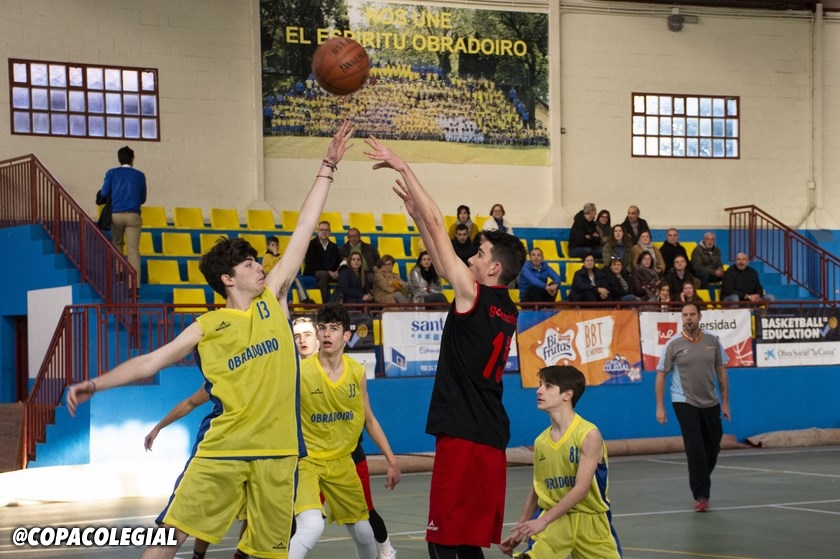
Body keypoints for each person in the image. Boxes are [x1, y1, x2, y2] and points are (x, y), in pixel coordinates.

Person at [65, 121, 356, 559]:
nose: (260, 266)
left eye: (258, 261)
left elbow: (303, 227)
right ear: (228, 279)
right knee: (169, 537)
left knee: (266, 554)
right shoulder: (209, 325)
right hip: (226, 448)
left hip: (279, 455)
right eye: (249, 264)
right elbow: (150, 362)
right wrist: (96, 383)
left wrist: (327, 167)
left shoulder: (274, 299)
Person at [365, 136, 527, 559]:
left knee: (441, 539)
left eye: (480, 253)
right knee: (467, 543)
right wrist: (418, 218)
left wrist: (403, 166)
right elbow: (440, 258)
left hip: (463, 431)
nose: (471, 257)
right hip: (491, 434)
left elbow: (440, 226)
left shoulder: (474, 295)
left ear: (493, 268)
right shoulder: (507, 307)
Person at [290, 304, 401, 559]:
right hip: (308, 462)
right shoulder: (300, 373)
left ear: (347, 336)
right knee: (311, 526)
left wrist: (392, 460)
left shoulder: (356, 372)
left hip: (343, 463)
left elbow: (369, 419)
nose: (327, 333)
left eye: (334, 328)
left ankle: (386, 550)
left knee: (364, 532)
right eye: (322, 328)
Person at [500, 366, 621, 559]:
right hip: (554, 522)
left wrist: (543, 521)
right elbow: (537, 489)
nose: (539, 391)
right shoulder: (541, 442)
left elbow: (581, 489)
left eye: (548, 386)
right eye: (540, 385)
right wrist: (521, 528)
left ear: (567, 395)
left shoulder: (588, 435)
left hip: (591, 522)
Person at [656, 302, 731, 513]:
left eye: (692, 314)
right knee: (695, 448)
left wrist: (725, 403)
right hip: (684, 401)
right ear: (682, 318)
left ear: (700, 316)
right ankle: (701, 495)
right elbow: (661, 375)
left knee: (713, 446)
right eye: (685, 315)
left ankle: (701, 477)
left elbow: (721, 372)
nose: (689, 318)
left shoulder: (713, 341)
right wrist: (660, 407)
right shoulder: (673, 344)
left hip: (711, 401)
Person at [97, 145, 147, 273]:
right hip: (133, 215)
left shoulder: (112, 173)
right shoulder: (140, 175)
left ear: (119, 159)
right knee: (133, 251)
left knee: (117, 243)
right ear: (132, 158)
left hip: (116, 215)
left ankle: (119, 274)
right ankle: (134, 283)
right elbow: (143, 198)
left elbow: (104, 193)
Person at [264, 235, 313, 304]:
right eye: (273, 245)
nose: (275, 247)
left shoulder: (281, 256)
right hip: (276, 278)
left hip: (285, 276)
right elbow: (270, 271)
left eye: (277, 245)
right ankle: (304, 299)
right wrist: (275, 255)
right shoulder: (267, 257)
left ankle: (299, 294)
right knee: (296, 278)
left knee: (312, 280)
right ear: (268, 247)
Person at [304, 220, 342, 302]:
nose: (324, 232)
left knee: (344, 275)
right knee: (324, 275)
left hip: (331, 273)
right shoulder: (310, 245)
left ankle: (337, 302)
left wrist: (337, 271)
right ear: (317, 232)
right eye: (321, 230)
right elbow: (311, 263)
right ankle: (323, 303)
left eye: (326, 230)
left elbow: (337, 262)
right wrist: (328, 272)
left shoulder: (334, 246)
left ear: (330, 232)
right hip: (313, 272)